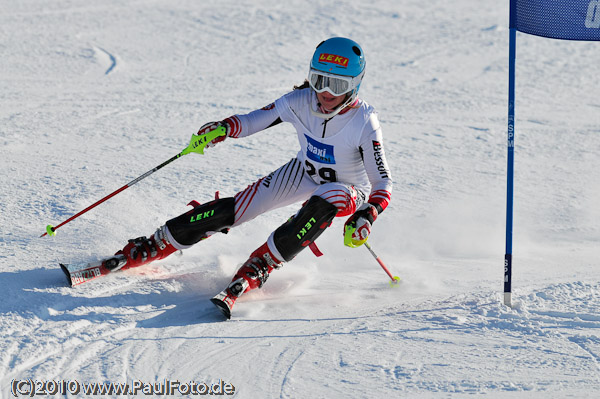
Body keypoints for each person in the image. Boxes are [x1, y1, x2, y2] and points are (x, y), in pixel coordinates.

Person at [110, 37, 393, 318]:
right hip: (304, 171)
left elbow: (382, 183)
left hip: (347, 189)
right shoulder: (299, 101)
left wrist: (367, 214)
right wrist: (223, 128)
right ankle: (156, 244)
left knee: (327, 196)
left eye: (338, 85)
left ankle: (262, 264)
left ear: (354, 86)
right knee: (239, 208)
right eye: (319, 81)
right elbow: (253, 120)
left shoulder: (364, 121)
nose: (326, 92)